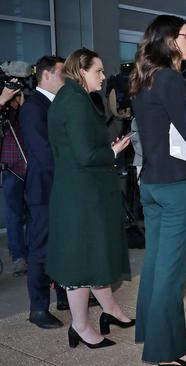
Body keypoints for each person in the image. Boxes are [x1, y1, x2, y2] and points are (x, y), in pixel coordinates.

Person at [130, 15, 186, 366]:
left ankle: (154, 331)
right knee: (172, 271)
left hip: (151, 183)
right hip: (176, 185)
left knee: (157, 264)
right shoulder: (171, 80)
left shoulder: (143, 80)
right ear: (170, 41)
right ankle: (166, 351)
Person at [46, 48, 134, 348]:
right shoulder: (74, 102)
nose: (103, 76)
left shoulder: (75, 98)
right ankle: (80, 326)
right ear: (81, 71)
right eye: (97, 70)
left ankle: (107, 311)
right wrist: (113, 151)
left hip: (81, 192)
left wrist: (106, 148)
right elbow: (84, 155)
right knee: (81, 262)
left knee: (91, 256)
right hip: (81, 196)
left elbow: (79, 147)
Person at [19, 55, 69, 328]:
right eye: (62, 74)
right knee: (40, 249)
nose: (66, 80)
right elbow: (44, 154)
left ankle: (63, 294)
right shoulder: (33, 108)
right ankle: (37, 308)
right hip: (44, 189)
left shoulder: (56, 104)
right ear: (46, 75)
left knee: (61, 244)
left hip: (59, 187)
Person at [0, 83, 27, 277]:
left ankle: (33, 252)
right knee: (14, 214)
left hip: (30, 168)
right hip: (11, 170)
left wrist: (24, 107)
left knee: (33, 213)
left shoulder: (24, 112)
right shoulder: (4, 116)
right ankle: (18, 257)